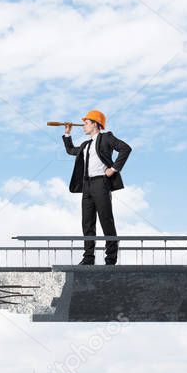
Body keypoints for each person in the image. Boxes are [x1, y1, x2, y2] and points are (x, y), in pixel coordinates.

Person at [63, 110, 132, 265]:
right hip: (87, 185)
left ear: (95, 124)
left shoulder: (106, 137)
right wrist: (67, 134)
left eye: (86, 123)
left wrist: (113, 169)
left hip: (101, 183)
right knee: (87, 222)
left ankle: (111, 258)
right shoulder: (85, 144)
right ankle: (88, 258)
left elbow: (125, 148)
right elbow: (70, 150)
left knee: (106, 220)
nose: (83, 126)